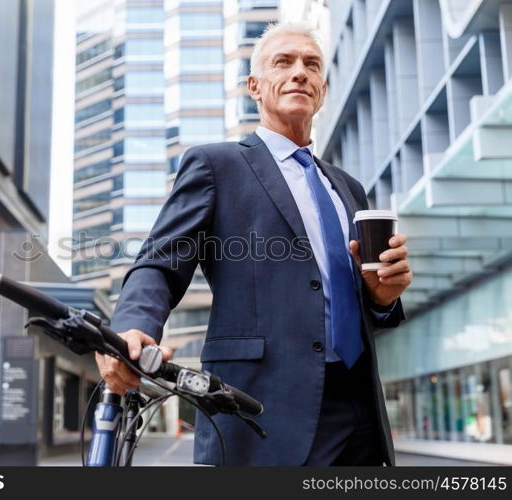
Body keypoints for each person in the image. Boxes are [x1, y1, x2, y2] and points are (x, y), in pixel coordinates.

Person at [96, 22, 413, 466]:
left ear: (322, 88)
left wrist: (380, 299)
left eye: (312, 65)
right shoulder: (215, 166)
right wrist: (132, 329)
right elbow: (160, 263)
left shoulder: (349, 188)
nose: (300, 72)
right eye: (283, 63)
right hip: (261, 407)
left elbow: (346, 300)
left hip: (359, 410)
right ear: (255, 87)